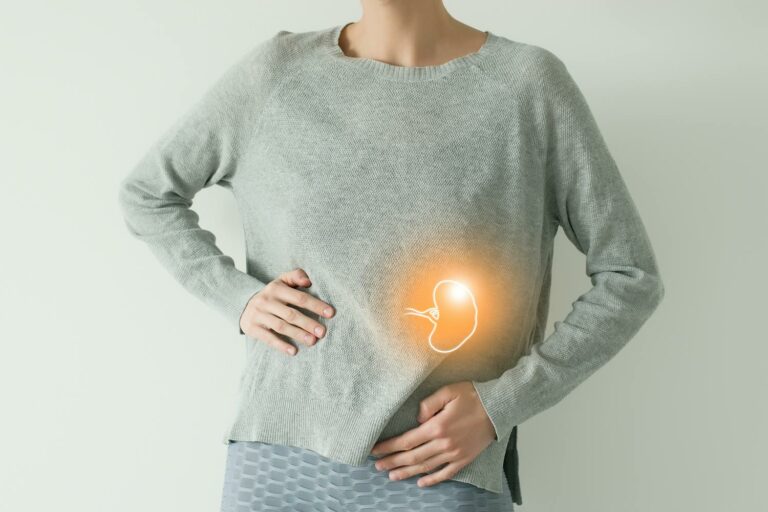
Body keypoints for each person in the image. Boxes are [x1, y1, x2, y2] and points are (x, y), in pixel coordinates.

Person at [117, 1, 665, 511]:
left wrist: (502, 404)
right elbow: (147, 194)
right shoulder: (275, 75)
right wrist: (238, 297)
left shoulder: (527, 87)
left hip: (438, 471)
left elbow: (630, 276)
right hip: (276, 465)